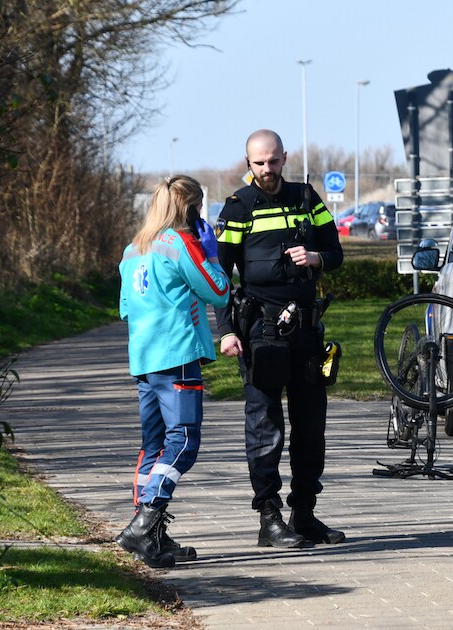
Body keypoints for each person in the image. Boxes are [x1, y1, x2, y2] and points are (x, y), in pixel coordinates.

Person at [215, 129, 345, 548]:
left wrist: (316, 257)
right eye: (259, 163)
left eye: (273, 161)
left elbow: (336, 254)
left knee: (311, 427)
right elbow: (220, 277)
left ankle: (304, 514)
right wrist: (226, 330)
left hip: (306, 330)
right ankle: (269, 519)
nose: (267, 170)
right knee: (265, 426)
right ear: (247, 163)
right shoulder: (237, 208)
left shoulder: (307, 199)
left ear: (284, 158)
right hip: (261, 331)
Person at [116, 175, 231, 568]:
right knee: (183, 442)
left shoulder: (132, 249)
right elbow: (218, 291)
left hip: (144, 358)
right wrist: (211, 256)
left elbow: (125, 309)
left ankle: (152, 538)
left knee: (153, 446)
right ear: (192, 208)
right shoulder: (181, 243)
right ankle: (145, 522)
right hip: (177, 353)